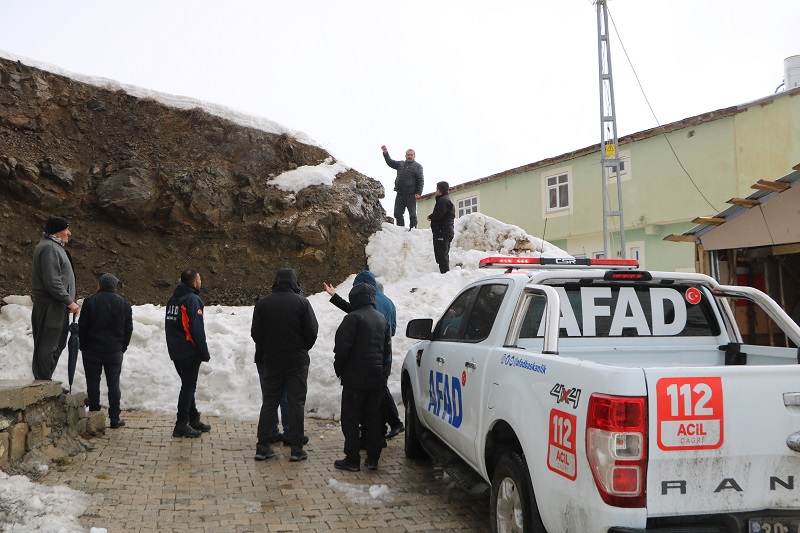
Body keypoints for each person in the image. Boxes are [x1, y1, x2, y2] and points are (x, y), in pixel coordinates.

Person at [324, 271, 404, 439]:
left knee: (372, 402)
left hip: (370, 358)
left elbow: (358, 314)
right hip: (384, 355)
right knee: (380, 392)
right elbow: (393, 329)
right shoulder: (388, 302)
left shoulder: (372, 301)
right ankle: (390, 426)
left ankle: (376, 436)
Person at [251, 268, 318, 462]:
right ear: (294, 282)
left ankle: (263, 446)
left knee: (270, 402)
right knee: (296, 403)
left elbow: (256, 333)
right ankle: (296, 448)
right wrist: (302, 348)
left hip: (272, 361)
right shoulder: (302, 303)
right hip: (296, 362)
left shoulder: (263, 304)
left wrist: (269, 349)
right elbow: (312, 331)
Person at [332, 283, 392, 472]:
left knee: (350, 419)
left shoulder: (352, 318)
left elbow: (342, 349)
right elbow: (387, 352)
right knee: (373, 418)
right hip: (375, 379)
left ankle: (352, 459)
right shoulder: (382, 319)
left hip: (354, 380)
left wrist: (339, 369)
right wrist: (384, 374)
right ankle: (373, 459)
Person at [78, 273, 133, 429]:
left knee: (93, 383)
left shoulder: (90, 301)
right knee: (114, 385)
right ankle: (115, 418)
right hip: (114, 351)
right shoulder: (124, 303)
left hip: (92, 350)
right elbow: (128, 329)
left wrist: (83, 345)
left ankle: (95, 416)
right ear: (114, 286)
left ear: (100, 285)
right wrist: (123, 347)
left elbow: (83, 326)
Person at [165, 269, 212, 438]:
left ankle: (193, 418)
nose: (201, 281)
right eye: (199, 279)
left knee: (188, 384)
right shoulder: (192, 300)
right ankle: (181, 423)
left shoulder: (173, 299)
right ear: (194, 283)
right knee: (188, 387)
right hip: (188, 351)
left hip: (176, 349)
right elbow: (195, 329)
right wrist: (203, 352)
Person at [31, 215, 80, 381]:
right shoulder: (50, 249)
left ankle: (45, 379)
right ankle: (43, 381)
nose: (69, 232)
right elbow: (52, 281)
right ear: (58, 231)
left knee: (56, 343)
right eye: (66, 229)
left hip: (56, 305)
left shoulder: (53, 247)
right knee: (49, 344)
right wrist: (69, 301)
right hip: (51, 305)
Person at [381, 145, 424, 229]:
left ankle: (413, 230)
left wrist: (419, 192)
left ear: (414, 156)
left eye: (411, 155)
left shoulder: (418, 166)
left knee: (412, 214)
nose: (409, 156)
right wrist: (385, 152)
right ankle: (400, 229)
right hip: (400, 193)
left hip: (411, 194)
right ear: (405, 156)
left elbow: (420, 180)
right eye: (408, 155)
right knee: (397, 213)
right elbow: (390, 162)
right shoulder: (401, 163)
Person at [427, 181, 456, 274]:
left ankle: (445, 274)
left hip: (442, 231)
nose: (436, 191)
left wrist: (431, 217)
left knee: (441, 255)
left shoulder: (443, 201)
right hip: (446, 231)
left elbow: (439, 214)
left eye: (437, 189)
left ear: (440, 190)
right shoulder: (447, 200)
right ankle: (445, 274)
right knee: (443, 254)